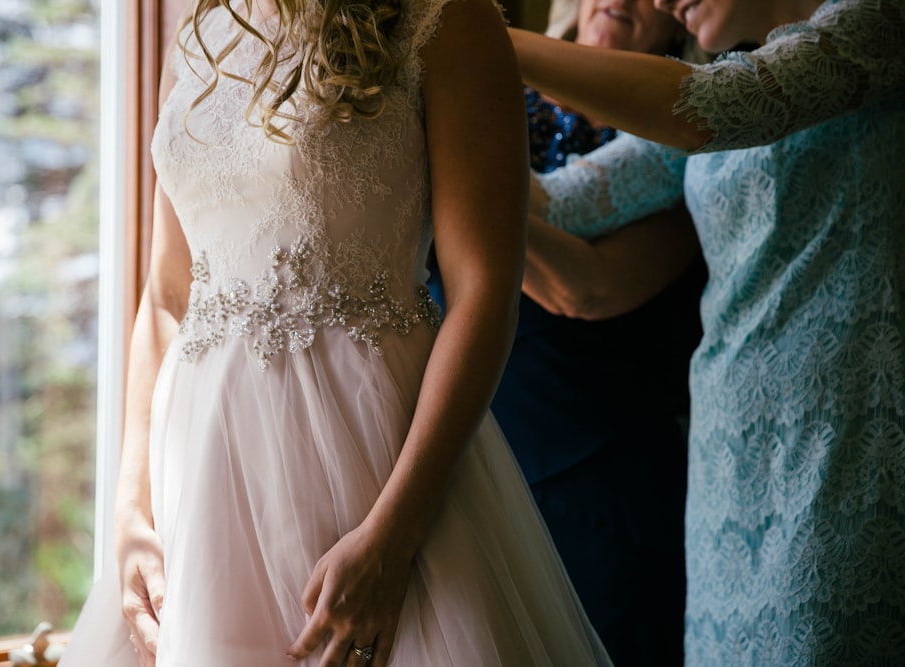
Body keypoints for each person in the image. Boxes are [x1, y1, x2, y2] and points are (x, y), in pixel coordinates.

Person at [60, 0, 612, 665]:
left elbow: (485, 294)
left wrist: (394, 534)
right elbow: (167, 295)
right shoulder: (199, 35)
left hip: (367, 464)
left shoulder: (447, 20)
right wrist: (129, 512)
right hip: (203, 482)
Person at [508, 0, 905, 664]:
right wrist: (426, 122)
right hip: (724, 468)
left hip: (841, 444)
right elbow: (561, 202)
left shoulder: (874, 22)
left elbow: (702, 106)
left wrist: (476, 39)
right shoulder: (723, 79)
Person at [428, 1, 705, 664]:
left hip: (602, 485)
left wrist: (465, 187)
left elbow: (586, 286)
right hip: (460, 449)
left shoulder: (688, 138)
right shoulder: (479, 98)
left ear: (678, 17)